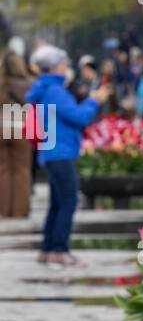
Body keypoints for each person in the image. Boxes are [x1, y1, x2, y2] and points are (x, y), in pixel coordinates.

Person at [26, 46, 110, 266]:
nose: (67, 68)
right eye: (64, 63)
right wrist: (94, 101)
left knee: (56, 202)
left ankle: (48, 249)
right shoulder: (55, 91)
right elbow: (78, 117)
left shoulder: (45, 89)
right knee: (69, 201)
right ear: (55, 67)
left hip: (51, 150)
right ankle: (60, 249)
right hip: (60, 151)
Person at [0, 36, 35, 218]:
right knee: (21, 169)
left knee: (3, 169)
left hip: (1, 126)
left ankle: (3, 210)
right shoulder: (27, 85)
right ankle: (20, 210)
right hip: (21, 126)